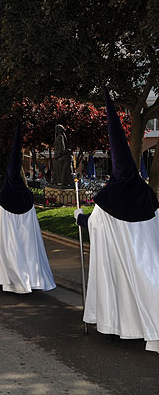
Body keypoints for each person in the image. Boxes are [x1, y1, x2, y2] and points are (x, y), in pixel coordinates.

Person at [74, 90, 159, 354]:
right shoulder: (147, 193)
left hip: (118, 258)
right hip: (146, 258)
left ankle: (120, 328)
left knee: (119, 286)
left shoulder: (108, 195)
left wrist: (80, 218)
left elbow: (95, 226)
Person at [0, 121, 55, 294]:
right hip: (25, 230)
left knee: (9, 251)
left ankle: (11, 281)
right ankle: (31, 279)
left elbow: (0, 210)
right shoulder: (27, 194)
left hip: (9, 231)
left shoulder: (5, 194)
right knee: (28, 251)